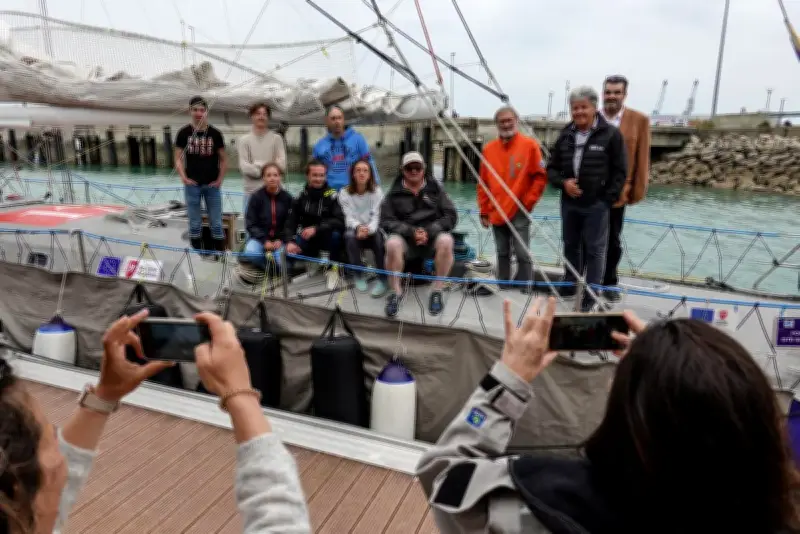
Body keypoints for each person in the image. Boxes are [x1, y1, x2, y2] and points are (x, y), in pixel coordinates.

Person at [416, 297, 800, 534]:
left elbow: (442, 476)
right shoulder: (769, 510)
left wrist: (510, 378)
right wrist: (674, 364)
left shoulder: (545, 504)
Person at [0, 308, 311, 534]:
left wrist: (104, 397)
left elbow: (45, 501)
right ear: (16, 492)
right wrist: (241, 396)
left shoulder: (21, 515)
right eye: (51, 436)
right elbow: (280, 520)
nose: (61, 443)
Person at [546, 86, 627, 311]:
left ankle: (591, 293)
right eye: (575, 108)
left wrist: (606, 200)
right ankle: (570, 283)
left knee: (595, 250)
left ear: (594, 108)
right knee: (570, 245)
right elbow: (551, 169)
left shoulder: (611, 135)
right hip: (570, 203)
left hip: (596, 205)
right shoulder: (565, 135)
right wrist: (564, 183)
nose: (579, 112)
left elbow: (620, 172)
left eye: (584, 107)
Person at [381, 151, 458, 318]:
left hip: (431, 238)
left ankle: (437, 289)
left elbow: (451, 215)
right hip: (406, 240)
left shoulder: (437, 190)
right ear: (403, 170)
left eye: (417, 167)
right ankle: (396, 292)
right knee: (392, 244)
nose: (414, 171)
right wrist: (410, 232)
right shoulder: (393, 194)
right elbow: (386, 221)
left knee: (446, 240)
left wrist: (429, 231)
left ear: (424, 169)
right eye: (409, 168)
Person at [478, 105, 547, 291]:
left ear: (516, 121)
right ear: (497, 124)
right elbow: (483, 183)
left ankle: (525, 284)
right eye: (502, 121)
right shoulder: (488, 150)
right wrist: (483, 211)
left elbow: (540, 177)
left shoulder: (530, 146)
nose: (506, 124)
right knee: (502, 252)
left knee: (523, 252)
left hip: (519, 208)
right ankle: (503, 283)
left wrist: (528, 202)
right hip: (496, 209)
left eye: (509, 120)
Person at [600, 75, 651, 301]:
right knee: (586, 240)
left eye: (616, 92)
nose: (612, 96)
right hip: (590, 192)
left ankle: (609, 282)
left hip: (618, 194)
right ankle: (584, 280)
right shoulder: (593, 117)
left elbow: (642, 156)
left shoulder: (639, 120)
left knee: (612, 241)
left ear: (624, 95)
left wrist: (637, 191)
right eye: (608, 92)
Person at [174, 96, 228, 254]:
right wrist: (183, 177)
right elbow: (177, 158)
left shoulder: (215, 134)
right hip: (192, 185)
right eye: (195, 110)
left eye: (202, 110)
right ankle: (197, 257)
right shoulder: (183, 133)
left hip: (212, 186)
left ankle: (220, 256)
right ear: (190, 111)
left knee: (217, 223)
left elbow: (224, 160)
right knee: (195, 224)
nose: (199, 113)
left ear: (206, 112)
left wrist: (220, 180)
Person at [285, 159, 345, 289]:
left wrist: (317, 229)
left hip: (327, 237)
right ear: (308, 176)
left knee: (336, 235)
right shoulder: (300, 198)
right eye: (315, 175)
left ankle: (332, 268)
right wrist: (290, 241)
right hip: (308, 239)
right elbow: (291, 222)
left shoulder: (333, 196)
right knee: (287, 252)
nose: (318, 179)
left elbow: (340, 221)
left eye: (322, 175)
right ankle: (305, 266)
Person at [338, 160, 388, 297]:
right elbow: (348, 216)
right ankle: (359, 274)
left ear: (370, 174)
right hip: (355, 229)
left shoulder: (377, 192)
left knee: (378, 238)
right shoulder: (344, 193)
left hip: (372, 229)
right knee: (349, 237)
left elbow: (377, 216)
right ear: (353, 174)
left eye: (365, 170)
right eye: (358, 170)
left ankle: (382, 278)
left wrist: (368, 230)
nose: (362, 173)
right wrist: (359, 227)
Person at [312, 105, 380, 191]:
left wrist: (376, 184)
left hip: (352, 190)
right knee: (325, 198)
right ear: (327, 122)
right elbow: (313, 171)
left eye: (339, 118)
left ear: (343, 120)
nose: (337, 122)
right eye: (333, 119)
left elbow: (369, 163)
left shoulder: (358, 140)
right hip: (330, 191)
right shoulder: (319, 145)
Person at [237, 102, 287, 218]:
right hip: (251, 192)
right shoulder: (244, 140)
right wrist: (270, 170)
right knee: (251, 229)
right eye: (258, 113)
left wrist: (258, 165)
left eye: (264, 114)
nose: (261, 117)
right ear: (252, 116)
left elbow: (282, 165)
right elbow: (244, 167)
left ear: (268, 117)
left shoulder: (277, 139)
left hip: (274, 192)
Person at [242, 163, 293, 272]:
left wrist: (282, 239)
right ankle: (266, 266)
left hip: (280, 240)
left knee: (282, 263)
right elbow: (250, 224)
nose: (272, 178)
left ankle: (278, 266)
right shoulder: (255, 197)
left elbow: (291, 223)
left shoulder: (288, 198)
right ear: (263, 178)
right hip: (260, 239)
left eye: (275, 175)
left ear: (280, 177)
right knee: (251, 252)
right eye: (268, 175)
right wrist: (264, 241)